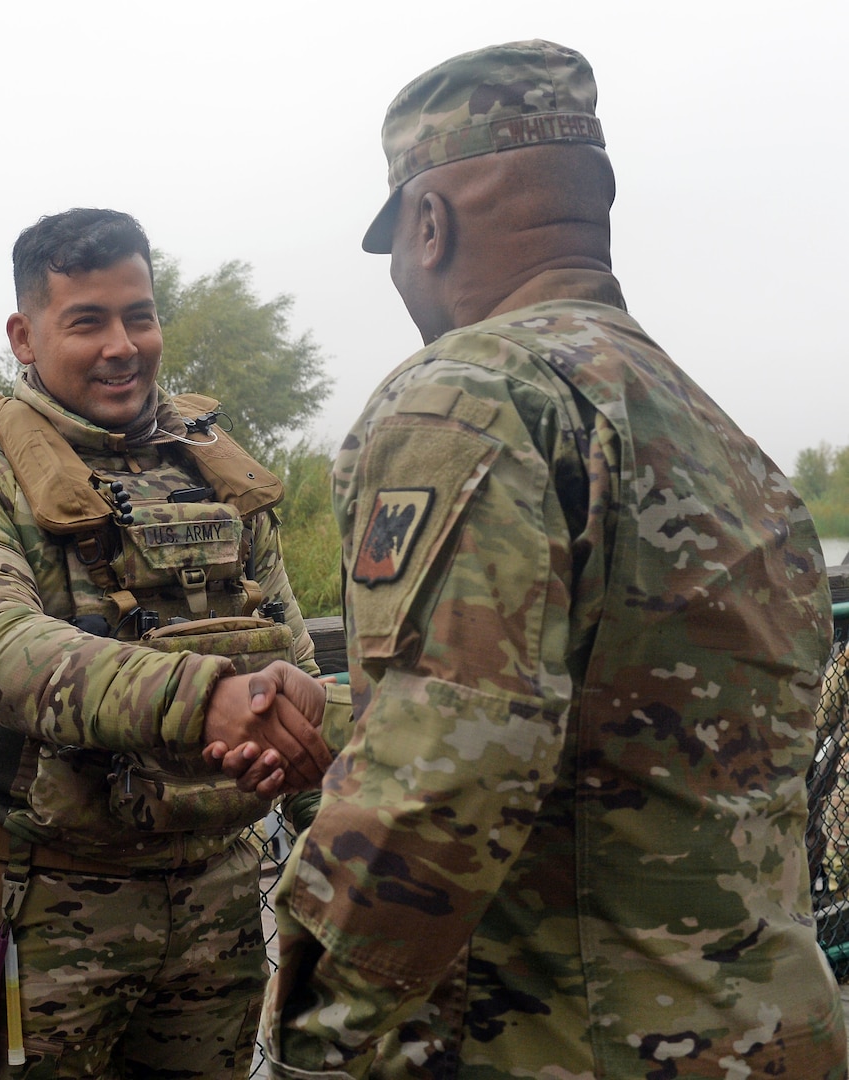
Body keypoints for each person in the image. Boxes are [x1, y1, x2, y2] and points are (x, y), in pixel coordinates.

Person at [248, 40, 849, 1079]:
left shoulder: (471, 394)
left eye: (396, 242)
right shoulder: (718, 437)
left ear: (426, 225)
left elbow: (445, 769)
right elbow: (624, 721)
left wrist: (318, 1031)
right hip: (768, 1028)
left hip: (570, 1040)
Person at [0, 207, 335, 1080]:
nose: (122, 345)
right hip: (38, 900)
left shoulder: (216, 471)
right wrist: (207, 698)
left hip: (216, 896)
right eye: (86, 321)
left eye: (139, 315)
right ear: (24, 335)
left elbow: (297, 666)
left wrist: (331, 848)